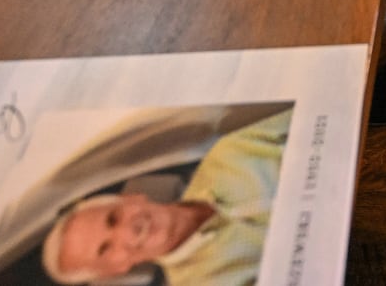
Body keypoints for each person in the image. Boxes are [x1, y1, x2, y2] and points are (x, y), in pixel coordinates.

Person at [40, 109, 291, 285]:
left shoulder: (228, 154)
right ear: (115, 270)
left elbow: (324, 108)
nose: (128, 232)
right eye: (106, 249)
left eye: (113, 219)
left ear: (133, 199)